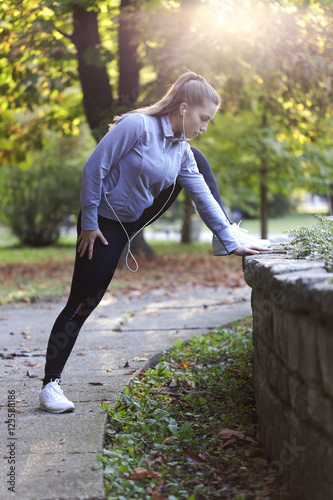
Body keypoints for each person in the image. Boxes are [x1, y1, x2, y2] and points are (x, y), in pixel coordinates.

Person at [39, 70, 271, 413]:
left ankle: (228, 235)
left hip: (136, 218)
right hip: (103, 224)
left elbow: (202, 195)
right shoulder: (137, 126)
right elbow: (94, 169)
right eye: (203, 118)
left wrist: (227, 239)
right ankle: (50, 386)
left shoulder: (182, 149)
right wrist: (88, 223)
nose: (205, 126)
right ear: (183, 108)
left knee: (198, 162)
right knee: (83, 301)